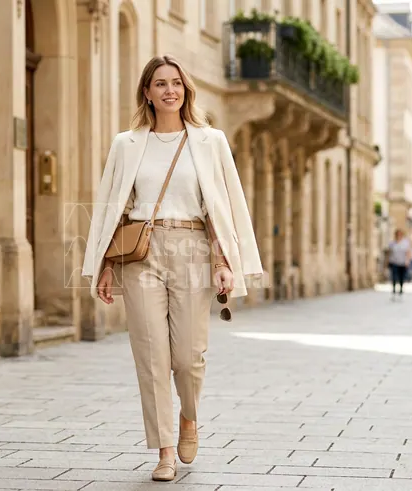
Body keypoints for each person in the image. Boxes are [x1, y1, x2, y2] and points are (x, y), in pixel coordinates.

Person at [81, 55, 263, 482]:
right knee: (151, 356)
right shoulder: (126, 144)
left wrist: (223, 260)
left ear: (186, 90)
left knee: (188, 357)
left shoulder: (210, 140)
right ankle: (164, 451)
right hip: (141, 253)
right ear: (147, 92)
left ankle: (188, 417)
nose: (170, 91)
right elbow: (113, 207)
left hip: (193, 248)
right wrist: (106, 264)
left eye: (176, 83)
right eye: (160, 84)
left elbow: (222, 206)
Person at [388, 229, 411, 299]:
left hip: (403, 263)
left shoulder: (405, 243)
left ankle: (401, 291)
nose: (398, 236)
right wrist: (388, 261)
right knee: (394, 277)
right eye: (397, 234)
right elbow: (389, 253)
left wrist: (407, 261)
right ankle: (394, 291)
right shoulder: (392, 243)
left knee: (401, 277)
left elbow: (408, 252)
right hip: (394, 262)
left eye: (400, 234)